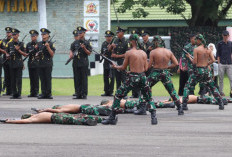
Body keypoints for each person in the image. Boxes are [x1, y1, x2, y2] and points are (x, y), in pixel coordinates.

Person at [102, 34, 157, 125]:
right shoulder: (143, 53)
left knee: (118, 95)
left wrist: (116, 67)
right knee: (148, 97)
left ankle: (112, 117)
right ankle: (154, 117)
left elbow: (123, 67)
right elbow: (146, 68)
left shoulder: (129, 53)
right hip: (142, 77)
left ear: (132, 41)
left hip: (133, 78)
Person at [182, 34, 224, 110]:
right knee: (213, 87)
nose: (195, 41)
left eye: (196, 40)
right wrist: (207, 64)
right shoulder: (208, 49)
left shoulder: (196, 49)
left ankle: (184, 104)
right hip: (206, 71)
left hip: (198, 71)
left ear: (199, 40)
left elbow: (194, 62)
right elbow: (213, 60)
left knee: (187, 86)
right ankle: (221, 103)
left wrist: (188, 57)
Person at [147, 35, 184, 115]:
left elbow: (149, 66)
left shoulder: (153, 52)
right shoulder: (168, 52)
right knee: (172, 91)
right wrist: (167, 67)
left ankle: (143, 106)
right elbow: (176, 63)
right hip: (165, 72)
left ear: (156, 43)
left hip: (156, 72)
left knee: (145, 87)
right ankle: (180, 108)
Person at [70, 26, 92, 99]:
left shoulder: (87, 43)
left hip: (83, 62)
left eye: (81, 33)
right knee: (77, 78)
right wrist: (70, 53)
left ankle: (84, 94)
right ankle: (78, 93)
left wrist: (84, 48)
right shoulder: (75, 43)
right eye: (78, 33)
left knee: (84, 78)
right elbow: (71, 49)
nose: (79, 34)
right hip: (76, 62)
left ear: (84, 33)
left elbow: (89, 53)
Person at [6, 28, 27, 99]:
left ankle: (19, 94)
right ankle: (14, 93)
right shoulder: (9, 44)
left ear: (18, 35)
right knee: (13, 79)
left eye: (15, 34)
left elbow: (25, 54)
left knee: (19, 79)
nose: (14, 36)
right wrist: (8, 55)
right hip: (11, 63)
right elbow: (7, 53)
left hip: (18, 63)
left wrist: (19, 50)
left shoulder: (21, 44)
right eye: (13, 34)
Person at [0, 112, 101, 126]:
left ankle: (97, 119)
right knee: (73, 119)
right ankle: (87, 121)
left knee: (75, 117)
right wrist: (10, 121)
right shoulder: (33, 118)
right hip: (55, 117)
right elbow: (21, 121)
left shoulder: (36, 115)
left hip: (57, 116)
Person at [37, 28, 55, 99]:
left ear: (48, 35)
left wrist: (48, 47)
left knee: (48, 78)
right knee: (42, 79)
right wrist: (37, 55)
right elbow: (37, 54)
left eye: (44, 34)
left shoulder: (51, 44)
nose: (43, 36)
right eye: (42, 34)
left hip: (48, 63)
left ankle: (48, 93)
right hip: (40, 63)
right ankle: (43, 93)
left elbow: (52, 54)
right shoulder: (39, 44)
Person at [109, 27, 129, 91]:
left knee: (123, 78)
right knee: (117, 78)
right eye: (117, 32)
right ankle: (118, 92)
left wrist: (117, 56)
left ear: (122, 33)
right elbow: (109, 50)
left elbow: (127, 54)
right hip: (116, 62)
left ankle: (124, 93)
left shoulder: (126, 42)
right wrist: (111, 46)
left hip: (123, 61)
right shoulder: (115, 40)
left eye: (118, 32)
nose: (117, 34)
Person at [216, 30, 232, 97]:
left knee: (231, 78)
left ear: (228, 36)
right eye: (224, 36)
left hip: (229, 64)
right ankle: (221, 92)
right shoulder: (219, 44)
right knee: (221, 79)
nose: (225, 37)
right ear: (222, 36)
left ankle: (231, 92)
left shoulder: (231, 43)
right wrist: (219, 63)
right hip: (221, 64)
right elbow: (218, 54)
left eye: (226, 36)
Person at [100, 30, 115, 96]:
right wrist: (103, 55)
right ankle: (106, 91)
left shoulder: (114, 44)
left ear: (112, 37)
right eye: (106, 36)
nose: (108, 38)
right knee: (105, 77)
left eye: (109, 36)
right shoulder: (104, 44)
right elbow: (102, 52)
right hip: (106, 62)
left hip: (112, 61)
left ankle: (111, 91)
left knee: (112, 77)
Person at [26, 30, 39, 97]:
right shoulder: (28, 44)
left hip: (36, 63)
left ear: (36, 36)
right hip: (30, 63)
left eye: (34, 36)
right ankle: (32, 92)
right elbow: (26, 53)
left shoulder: (39, 44)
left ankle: (36, 92)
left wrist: (36, 49)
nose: (32, 37)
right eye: (31, 36)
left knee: (36, 78)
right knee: (31, 78)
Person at [0, 27, 13, 96]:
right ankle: (8, 91)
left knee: (12, 75)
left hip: (11, 60)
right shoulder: (3, 41)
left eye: (9, 32)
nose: (8, 34)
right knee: (6, 76)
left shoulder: (13, 40)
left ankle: (12, 91)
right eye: (7, 32)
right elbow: (2, 49)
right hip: (5, 60)